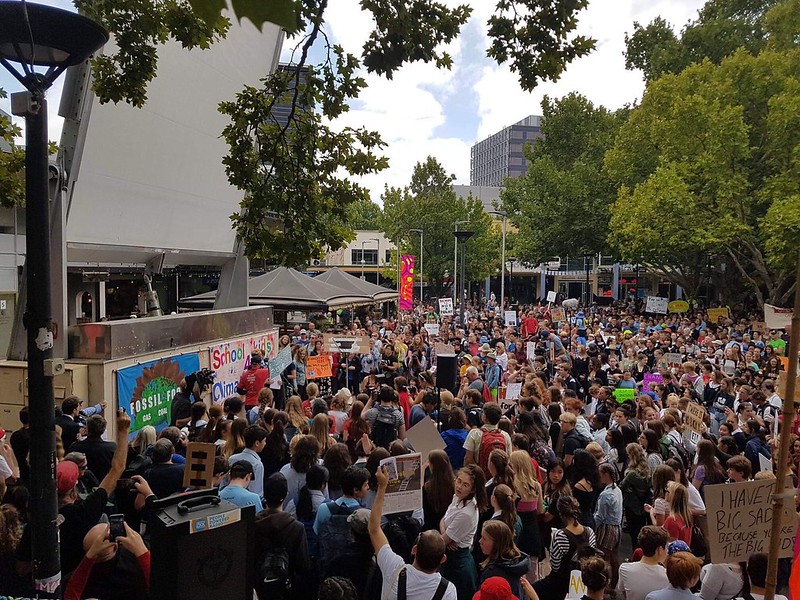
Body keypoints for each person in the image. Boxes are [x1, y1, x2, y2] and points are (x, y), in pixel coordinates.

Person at [16, 409, 131, 576]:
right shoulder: (85, 512)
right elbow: (117, 468)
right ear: (74, 487)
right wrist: (123, 431)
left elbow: (22, 568)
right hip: (79, 580)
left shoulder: (37, 522)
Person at [368, 464, 457, 600]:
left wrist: (382, 487)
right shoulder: (448, 591)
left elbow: (374, 529)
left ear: (414, 550)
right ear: (443, 559)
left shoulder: (394, 568)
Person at [254, 472, 310, 600]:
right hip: (285, 589)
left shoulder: (253, 523)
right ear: (285, 496)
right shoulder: (297, 528)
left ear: (265, 495)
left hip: (258, 589)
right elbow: (303, 566)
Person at [63, 522, 150, 600]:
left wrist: (90, 554)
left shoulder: (68, 582)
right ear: (115, 547)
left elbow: (72, 591)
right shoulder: (135, 566)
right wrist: (141, 550)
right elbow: (159, 585)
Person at [532, 495, 597, 600]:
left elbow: (555, 566)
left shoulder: (560, 535)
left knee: (533, 589)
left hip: (561, 582)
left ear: (560, 514)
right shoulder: (590, 532)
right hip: (583, 579)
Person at [440, 464, 487, 599]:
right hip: (450, 558)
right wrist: (446, 533)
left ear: (472, 489)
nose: (459, 486)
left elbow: (443, 540)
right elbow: (443, 519)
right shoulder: (457, 497)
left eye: (465, 485)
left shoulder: (467, 512)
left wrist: (445, 536)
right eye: (458, 481)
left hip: (458, 563)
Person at [508, 449, 544, 584]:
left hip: (517, 531)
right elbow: (540, 510)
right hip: (533, 531)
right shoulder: (537, 486)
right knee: (532, 572)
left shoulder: (512, 486)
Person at [476, 520, 530, 598]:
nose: (480, 541)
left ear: (497, 544)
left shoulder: (493, 574)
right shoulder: (516, 563)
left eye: (484, 539)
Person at [617, 526, 670, 600]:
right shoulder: (668, 576)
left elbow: (623, 592)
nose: (667, 551)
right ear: (660, 550)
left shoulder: (624, 569)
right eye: (667, 547)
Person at [594, 462, 623, 589]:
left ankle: (602, 585)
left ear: (606, 475)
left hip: (607, 529)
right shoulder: (618, 490)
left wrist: (591, 528)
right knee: (614, 558)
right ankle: (613, 585)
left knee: (602, 558)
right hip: (617, 528)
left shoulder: (605, 495)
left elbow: (599, 516)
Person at [463, 402, 512, 474]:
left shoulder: (475, 433)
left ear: (485, 417)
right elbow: (509, 458)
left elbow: (468, 459)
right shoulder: (505, 435)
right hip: (499, 476)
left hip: (480, 476)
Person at [619, 442, 652, 549]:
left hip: (632, 506)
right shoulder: (646, 469)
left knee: (634, 534)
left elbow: (622, 486)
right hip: (642, 505)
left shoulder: (632, 474)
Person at [69, 414, 117, 482]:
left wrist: (78, 443)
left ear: (87, 429)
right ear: (103, 430)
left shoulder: (75, 447)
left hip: (83, 485)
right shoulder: (112, 447)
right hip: (106, 484)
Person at [422, 449, 455, 532]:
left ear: (432, 466)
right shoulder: (455, 485)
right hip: (448, 527)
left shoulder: (428, 488)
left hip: (430, 528)